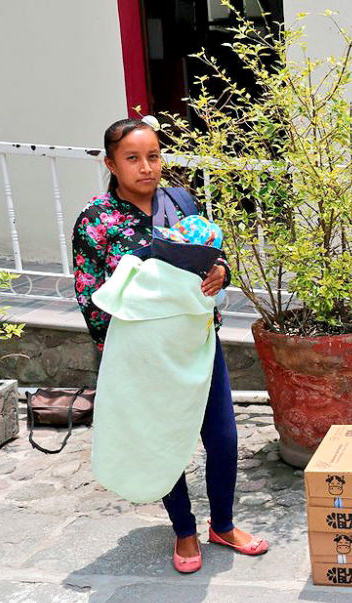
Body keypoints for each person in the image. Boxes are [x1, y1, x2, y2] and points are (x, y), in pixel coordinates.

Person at [72, 118, 269, 572]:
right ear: (111, 164)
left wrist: (221, 273)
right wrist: (112, 352)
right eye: (133, 158)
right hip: (143, 354)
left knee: (221, 437)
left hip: (198, 341)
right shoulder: (98, 220)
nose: (147, 167)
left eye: (154, 156)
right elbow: (89, 291)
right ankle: (184, 531)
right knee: (163, 439)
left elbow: (213, 257)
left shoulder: (180, 200)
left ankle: (223, 524)